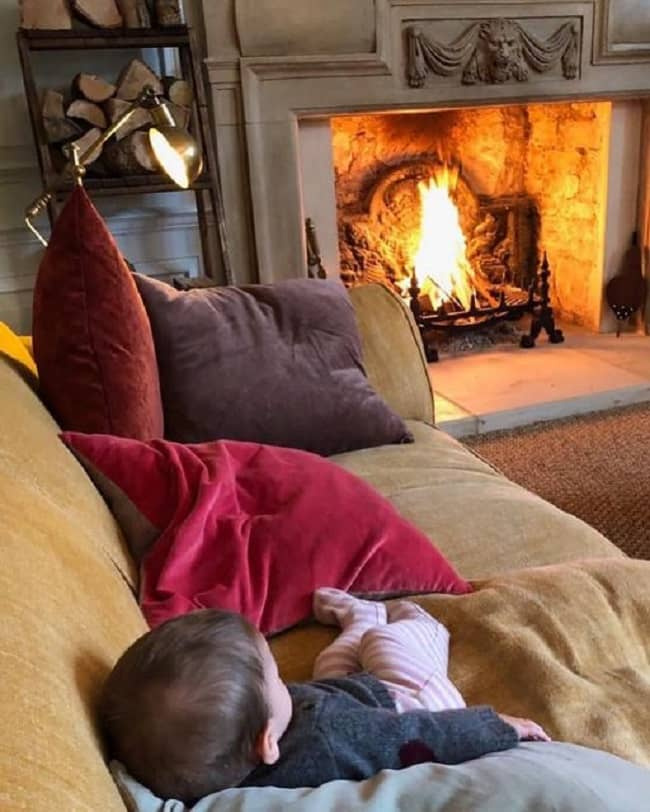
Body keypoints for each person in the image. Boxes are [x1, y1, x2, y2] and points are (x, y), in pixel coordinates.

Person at [100, 590, 549, 803]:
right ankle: (413, 624)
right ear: (266, 742)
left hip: (337, 699)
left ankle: (361, 620)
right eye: (276, 676)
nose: (281, 677)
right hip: (394, 705)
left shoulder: (210, 768)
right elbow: (413, 734)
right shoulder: (335, 738)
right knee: (386, 644)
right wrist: (494, 727)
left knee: (330, 664)